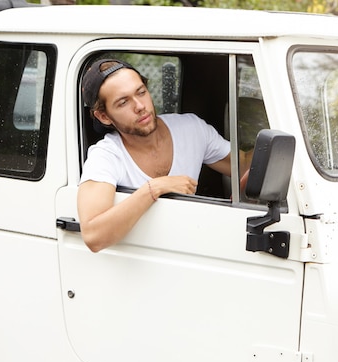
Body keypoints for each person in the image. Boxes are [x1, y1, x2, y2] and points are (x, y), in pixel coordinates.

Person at [78, 59, 231, 253]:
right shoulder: (106, 156)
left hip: (194, 249)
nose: (140, 106)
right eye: (123, 102)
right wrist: (155, 188)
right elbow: (93, 236)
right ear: (104, 117)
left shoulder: (191, 128)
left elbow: (242, 165)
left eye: (141, 92)